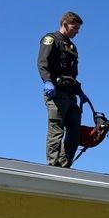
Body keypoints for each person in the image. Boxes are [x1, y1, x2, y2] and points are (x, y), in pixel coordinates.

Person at [37, 11, 88, 168]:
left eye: (78, 29)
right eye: (75, 28)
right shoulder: (51, 39)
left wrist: (81, 93)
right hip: (56, 92)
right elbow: (42, 63)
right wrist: (47, 81)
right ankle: (53, 165)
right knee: (56, 130)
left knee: (74, 133)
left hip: (71, 94)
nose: (77, 32)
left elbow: (72, 74)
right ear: (65, 24)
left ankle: (64, 166)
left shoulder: (72, 47)